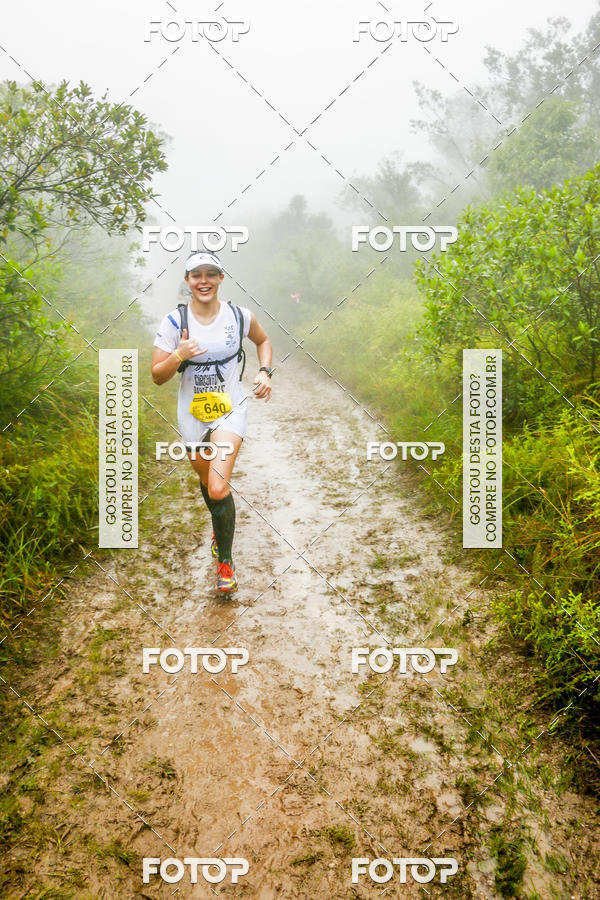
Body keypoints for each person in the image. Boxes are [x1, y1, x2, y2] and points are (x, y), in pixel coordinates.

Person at [151, 250, 273, 593]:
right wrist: (179, 355)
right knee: (208, 485)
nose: (203, 280)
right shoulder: (174, 323)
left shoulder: (238, 316)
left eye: (211, 273)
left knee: (219, 486)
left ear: (220, 278)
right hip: (192, 413)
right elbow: (157, 376)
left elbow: (263, 341)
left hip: (229, 409)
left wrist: (265, 371)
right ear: (188, 281)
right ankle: (220, 532)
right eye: (196, 275)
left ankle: (226, 563)